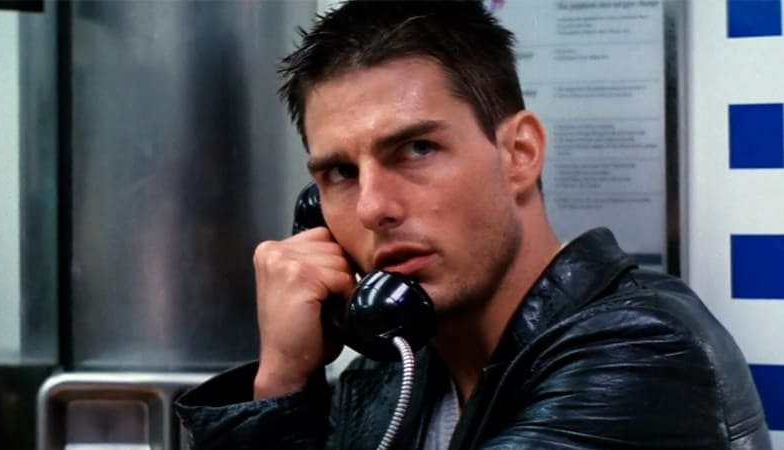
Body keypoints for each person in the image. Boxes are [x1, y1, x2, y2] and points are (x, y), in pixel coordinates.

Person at [175, 1, 771, 449]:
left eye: (416, 149)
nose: (373, 208)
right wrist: (282, 379)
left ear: (520, 154)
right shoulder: (386, 377)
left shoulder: (641, 352)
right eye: (340, 172)